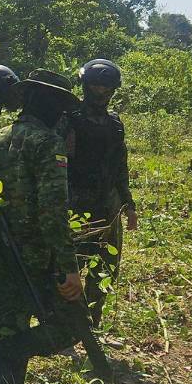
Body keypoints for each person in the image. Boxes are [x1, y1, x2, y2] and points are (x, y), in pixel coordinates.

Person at [0, 69, 86, 384]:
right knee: (69, 326)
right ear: (48, 104)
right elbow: (53, 212)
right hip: (36, 259)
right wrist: (69, 267)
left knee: (10, 329)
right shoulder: (47, 143)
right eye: (59, 105)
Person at [65, 59, 138, 329]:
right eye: (96, 87)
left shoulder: (114, 123)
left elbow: (120, 166)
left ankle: (92, 326)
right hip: (75, 206)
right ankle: (67, 328)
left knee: (105, 267)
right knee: (70, 268)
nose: (101, 93)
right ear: (85, 86)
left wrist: (129, 204)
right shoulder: (68, 120)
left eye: (107, 89)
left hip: (108, 206)